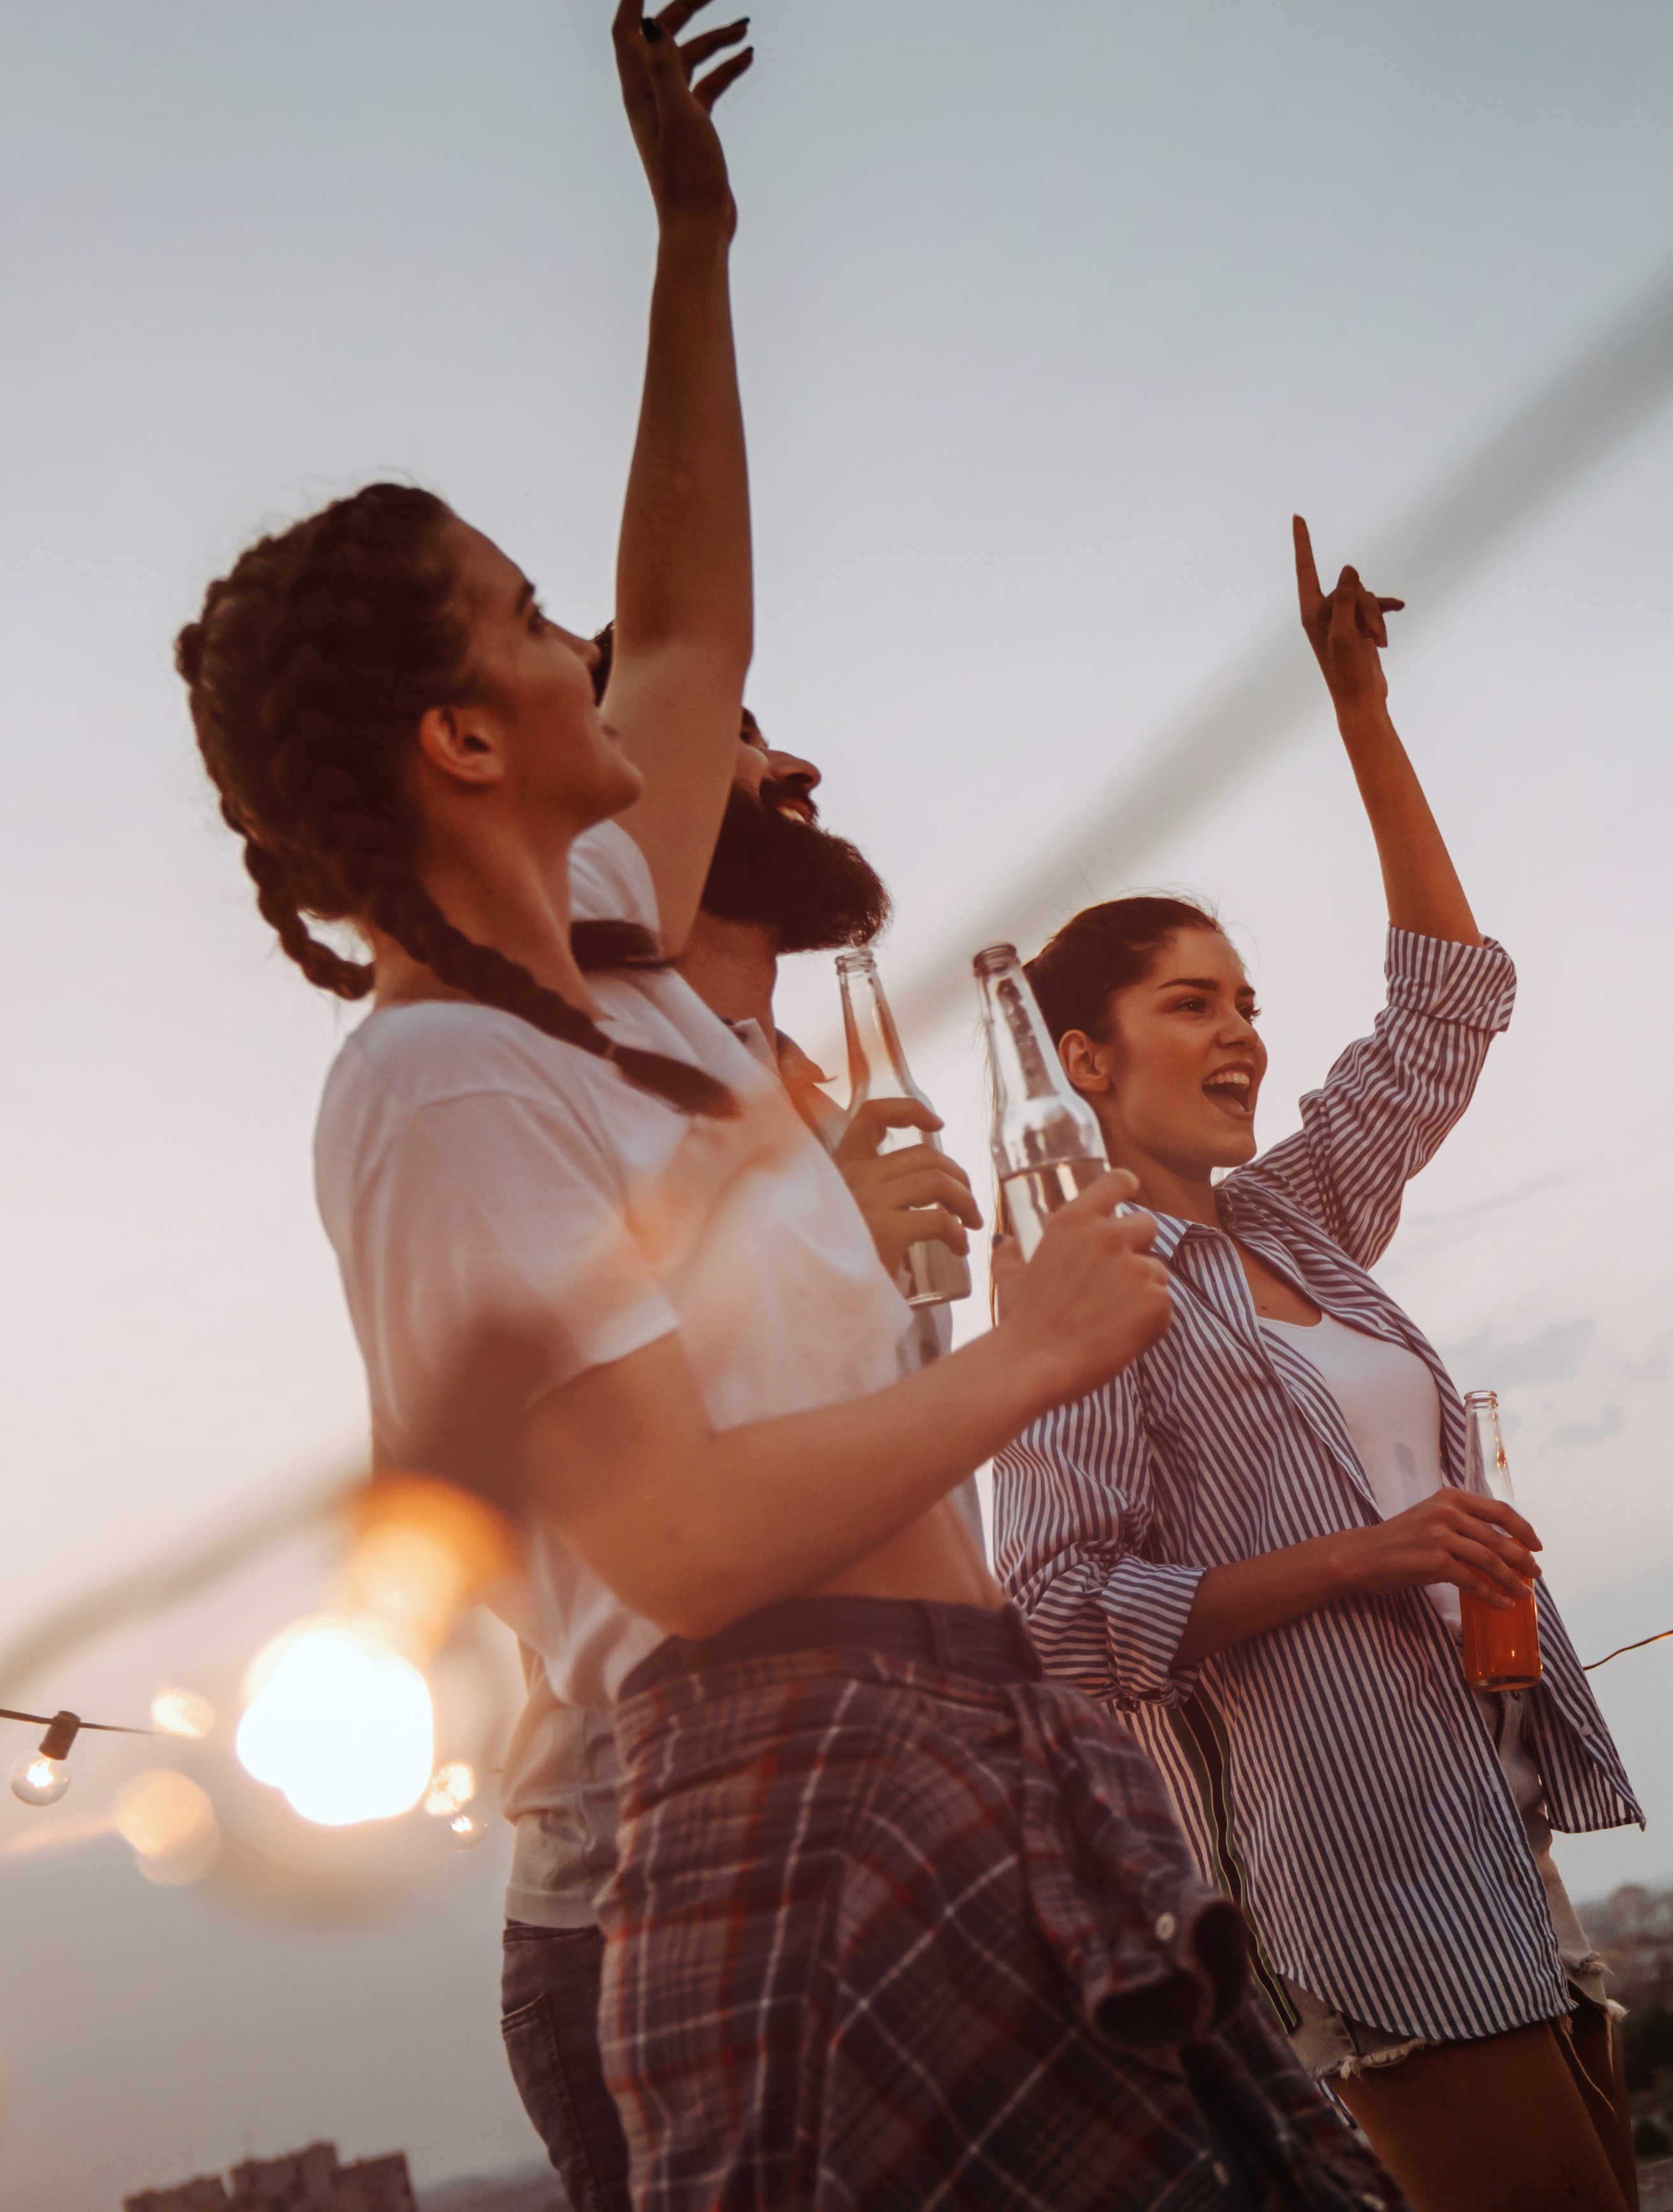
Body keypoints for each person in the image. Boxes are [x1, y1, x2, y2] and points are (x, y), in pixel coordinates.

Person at [176, 0, 1384, 2210]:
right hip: (799, 1785)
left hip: (957, 1738)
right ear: (459, 739)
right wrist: (1024, 1358)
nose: (592, 648)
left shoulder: (620, 947)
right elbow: (681, 1534)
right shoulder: (436, 1087)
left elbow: (693, 599)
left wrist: (692, 244)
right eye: (531, 622)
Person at [990, 519, 1648, 2212]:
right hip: (1347, 1879)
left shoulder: (1293, 1221)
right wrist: (1368, 1555)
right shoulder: (1085, 1299)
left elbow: (1443, 1006)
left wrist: (1361, 712)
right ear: (1083, 1057)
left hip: (1491, 1819)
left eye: (1247, 1002)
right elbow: (1061, 1616)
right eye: (1193, 1006)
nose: (1243, 1037)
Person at [488, 678, 982, 2210]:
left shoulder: (792, 1094)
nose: (799, 764)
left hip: (888, 1853)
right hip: (664, 1912)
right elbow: (634, 1538)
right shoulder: (554, 1088)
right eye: (739, 734)